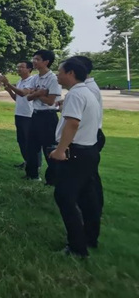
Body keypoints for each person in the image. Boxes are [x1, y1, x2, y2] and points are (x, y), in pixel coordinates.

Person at [49, 58, 102, 257]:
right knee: (87, 197)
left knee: (64, 196)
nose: (57, 75)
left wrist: (60, 150)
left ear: (70, 73)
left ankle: (77, 247)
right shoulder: (86, 92)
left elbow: (72, 124)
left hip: (76, 153)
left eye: (60, 71)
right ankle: (90, 237)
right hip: (89, 151)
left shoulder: (76, 94)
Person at [25, 50, 62, 184]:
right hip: (35, 114)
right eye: (34, 59)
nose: (34, 62)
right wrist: (39, 93)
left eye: (37, 59)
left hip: (48, 116)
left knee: (49, 147)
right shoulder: (35, 78)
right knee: (32, 146)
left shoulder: (52, 79)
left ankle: (53, 179)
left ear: (46, 62)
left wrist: (37, 93)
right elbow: (28, 97)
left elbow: (50, 101)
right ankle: (32, 174)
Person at [74, 55, 105, 208]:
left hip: (90, 135)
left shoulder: (88, 89)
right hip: (90, 134)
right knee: (87, 174)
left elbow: (78, 119)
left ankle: (94, 208)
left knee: (89, 176)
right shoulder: (86, 88)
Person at [0, 61, 37, 168]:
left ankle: (35, 164)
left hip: (28, 115)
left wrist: (8, 84)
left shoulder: (32, 80)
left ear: (29, 69)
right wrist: (9, 91)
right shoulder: (20, 81)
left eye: (21, 67)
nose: (18, 69)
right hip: (19, 113)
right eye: (18, 67)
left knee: (29, 140)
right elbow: (17, 98)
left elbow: (23, 93)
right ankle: (27, 161)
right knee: (21, 140)